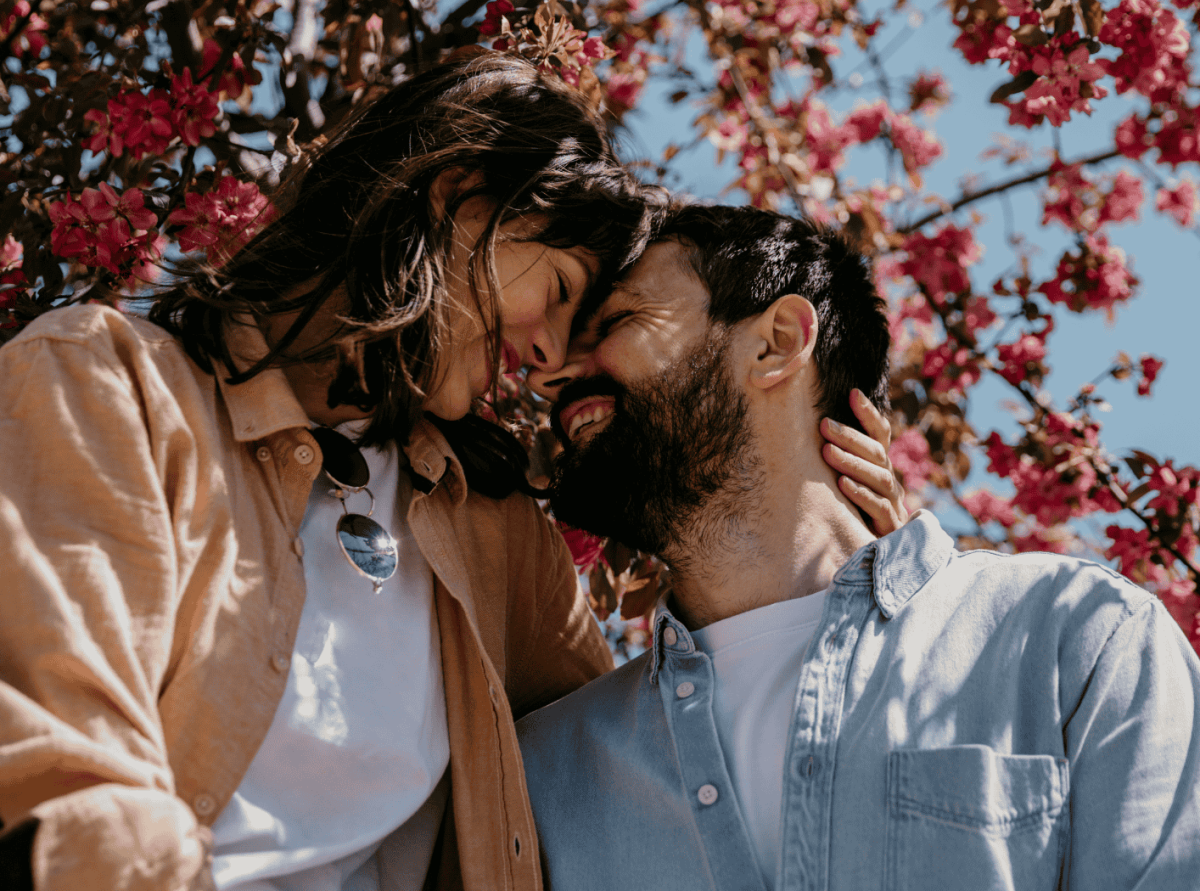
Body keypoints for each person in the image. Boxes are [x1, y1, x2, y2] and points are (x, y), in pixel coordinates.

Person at [0, 55, 902, 891]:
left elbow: (658, 767)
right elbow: (63, 775)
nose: (548, 359)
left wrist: (857, 581)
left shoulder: (492, 530)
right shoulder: (111, 383)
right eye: (556, 290)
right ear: (457, 197)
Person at [517, 203, 1200, 891]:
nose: (550, 374)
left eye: (616, 323)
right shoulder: (544, 770)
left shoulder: (1074, 642)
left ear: (777, 342)